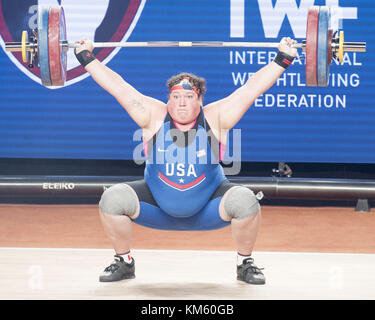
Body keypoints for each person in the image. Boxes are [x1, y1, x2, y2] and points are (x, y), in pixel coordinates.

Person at [74, 37, 297, 285]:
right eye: (176, 96)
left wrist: (283, 58)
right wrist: (86, 57)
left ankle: (244, 263)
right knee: (112, 199)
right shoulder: (153, 116)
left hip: (209, 208)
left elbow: (251, 88)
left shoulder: (216, 117)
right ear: (168, 100)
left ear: (200, 100)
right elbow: (118, 86)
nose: (181, 101)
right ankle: (124, 262)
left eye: (189, 97)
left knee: (246, 201)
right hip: (156, 207)